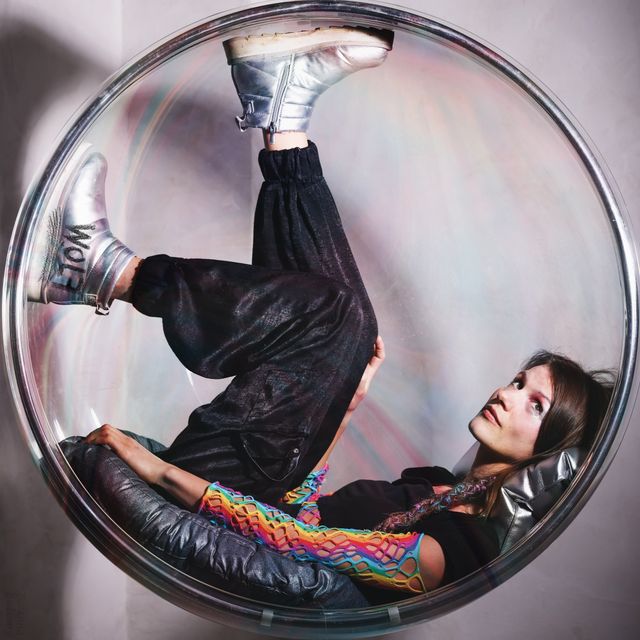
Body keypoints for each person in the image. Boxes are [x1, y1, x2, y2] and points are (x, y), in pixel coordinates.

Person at [29, 26, 614, 598]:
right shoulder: (434, 487)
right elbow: (308, 511)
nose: (508, 394)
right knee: (349, 327)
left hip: (224, 509)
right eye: (520, 381)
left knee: (341, 322)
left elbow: (305, 543)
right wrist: (347, 401)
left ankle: (111, 271)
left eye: (535, 405)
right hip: (255, 486)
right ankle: (281, 117)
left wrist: (161, 474)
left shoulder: (463, 546)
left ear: (552, 452)